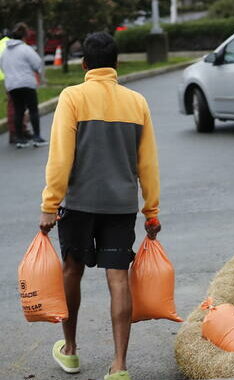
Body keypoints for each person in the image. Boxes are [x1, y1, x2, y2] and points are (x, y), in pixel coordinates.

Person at [38, 32, 161, 380]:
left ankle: (71, 351)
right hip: (121, 206)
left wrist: (50, 204)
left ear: (84, 65)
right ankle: (119, 365)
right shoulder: (137, 102)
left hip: (78, 204)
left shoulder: (73, 97)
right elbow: (147, 162)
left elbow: (60, 157)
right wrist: (151, 210)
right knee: (118, 279)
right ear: (117, 64)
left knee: (71, 271)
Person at [0, 23, 45, 148]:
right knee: (33, 110)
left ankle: (19, 139)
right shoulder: (26, 49)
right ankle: (37, 137)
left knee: (18, 111)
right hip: (27, 83)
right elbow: (37, 63)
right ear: (25, 36)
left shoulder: (5, 52)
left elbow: (2, 66)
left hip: (12, 85)